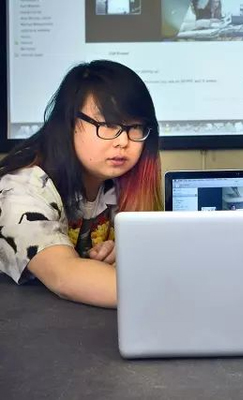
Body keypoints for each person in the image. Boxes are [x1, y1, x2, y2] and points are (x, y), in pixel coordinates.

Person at [0, 60, 162, 309]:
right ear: (69, 124)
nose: (123, 142)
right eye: (107, 125)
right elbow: (64, 276)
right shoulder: (19, 190)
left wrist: (124, 254)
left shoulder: (120, 181)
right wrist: (176, 296)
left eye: (136, 127)